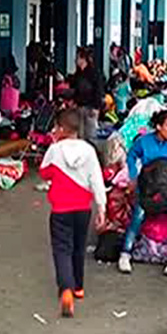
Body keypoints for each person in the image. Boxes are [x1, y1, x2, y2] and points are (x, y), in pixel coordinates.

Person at [39, 110, 107, 317]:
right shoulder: (89, 150)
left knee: (62, 249)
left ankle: (66, 289)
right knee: (79, 247)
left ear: (60, 129)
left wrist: (53, 146)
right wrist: (101, 208)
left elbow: (44, 172)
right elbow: (96, 180)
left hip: (60, 209)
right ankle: (79, 287)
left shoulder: (55, 150)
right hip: (83, 209)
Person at [119, 110, 167, 276]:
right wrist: (133, 175)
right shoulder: (144, 142)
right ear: (158, 126)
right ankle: (125, 253)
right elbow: (132, 155)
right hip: (147, 185)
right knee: (138, 216)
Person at [67, 48, 105, 142]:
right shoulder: (79, 73)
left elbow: (98, 90)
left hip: (90, 107)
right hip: (80, 107)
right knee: (80, 135)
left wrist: (96, 107)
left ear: (83, 59)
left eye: (77, 58)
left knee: (90, 135)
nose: (75, 60)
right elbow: (77, 89)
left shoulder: (94, 73)